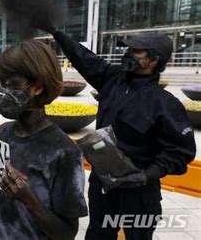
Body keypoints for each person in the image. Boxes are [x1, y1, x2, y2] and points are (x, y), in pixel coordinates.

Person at [47, 29, 196, 239]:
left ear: (153, 60)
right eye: (129, 49)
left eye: (137, 51)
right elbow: (84, 58)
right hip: (103, 184)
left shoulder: (165, 104)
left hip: (139, 192)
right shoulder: (112, 79)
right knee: (99, 234)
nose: (128, 54)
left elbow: (180, 152)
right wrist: (57, 33)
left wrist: (146, 175)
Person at [0, 40, 88, 239]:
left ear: (37, 88)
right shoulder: (3, 132)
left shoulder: (64, 152)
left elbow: (67, 233)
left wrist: (29, 199)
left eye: (9, 84)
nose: (0, 91)